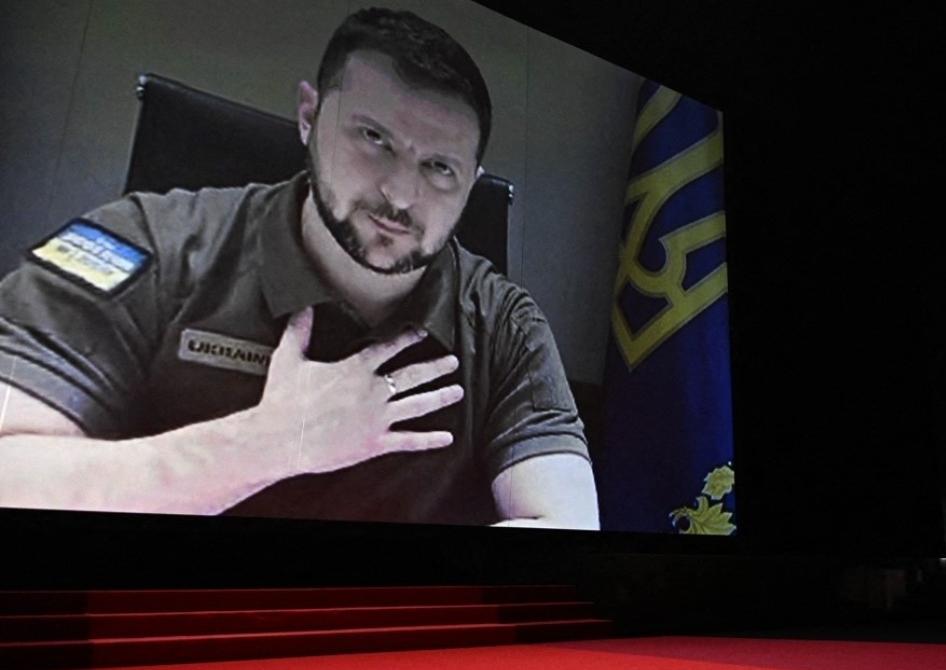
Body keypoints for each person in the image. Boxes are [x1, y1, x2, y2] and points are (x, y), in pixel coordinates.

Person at [0, 8, 598, 529]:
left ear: (472, 180)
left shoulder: (505, 324)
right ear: (309, 117)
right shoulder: (150, 244)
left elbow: (566, 521)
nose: (400, 195)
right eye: (373, 137)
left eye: (440, 167)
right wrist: (267, 447)